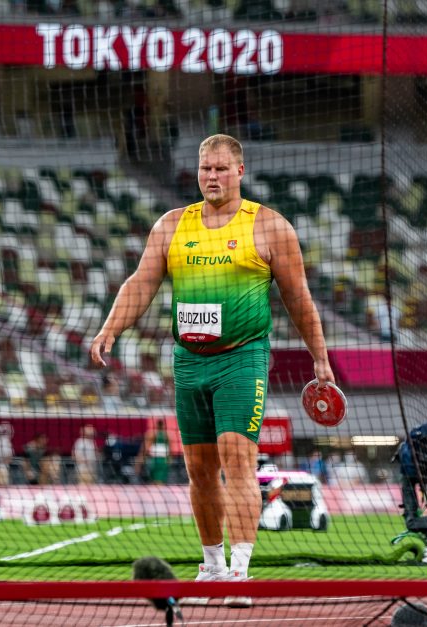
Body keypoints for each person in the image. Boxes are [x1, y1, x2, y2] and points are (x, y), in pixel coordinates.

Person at [90, 134, 334, 605]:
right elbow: (142, 282)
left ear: (240, 172)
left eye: (221, 169)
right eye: (205, 169)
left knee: (237, 458)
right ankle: (213, 566)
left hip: (242, 358)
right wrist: (110, 329)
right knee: (199, 469)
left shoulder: (269, 226)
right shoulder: (172, 225)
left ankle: (239, 573)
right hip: (188, 362)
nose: (212, 177)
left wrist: (319, 358)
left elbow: (298, 298)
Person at [136, 419, 171, 484]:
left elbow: (145, 448)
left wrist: (141, 458)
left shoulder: (163, 435)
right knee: (157, 479)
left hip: (160, 459)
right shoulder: (165, 435)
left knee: (158, 479)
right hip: (157, 459)